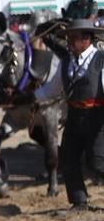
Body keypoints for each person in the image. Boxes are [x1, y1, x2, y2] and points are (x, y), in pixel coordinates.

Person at [39, 19, 104, 210]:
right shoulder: (66, 62)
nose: (68, 42)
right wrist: (30, 98)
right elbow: (52, 90)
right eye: (67, 38)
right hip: (74, 119)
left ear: (86, 39)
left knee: (97, 162)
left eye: (72, 37)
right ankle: (79, 201)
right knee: (68, 158)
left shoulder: (101, 60)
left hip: (97, 120)